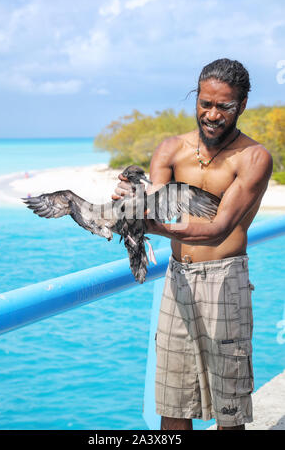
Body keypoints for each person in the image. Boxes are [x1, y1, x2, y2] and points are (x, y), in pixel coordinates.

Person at [112, 58, 273, 430]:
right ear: (195, 98)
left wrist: (151, 225)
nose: (212, 114)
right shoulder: (170, 149)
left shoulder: (253, 158)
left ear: (242, 105)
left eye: (224, 106)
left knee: (229, 411)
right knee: (173, 403)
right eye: (205, 103)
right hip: (178, 279)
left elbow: (219, 228)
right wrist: (128, 200)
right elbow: (153, 207)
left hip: (226, 280)